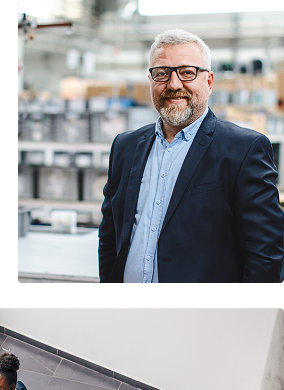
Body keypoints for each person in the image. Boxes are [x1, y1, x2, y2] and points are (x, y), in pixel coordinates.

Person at [98, 29, 284, 283]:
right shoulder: (125, 146)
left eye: (187, 72)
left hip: (201, 319)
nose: (174, 84)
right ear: (151, 80)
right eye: (162, 73)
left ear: (208, 82)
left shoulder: (244, 150)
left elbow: (265, 254)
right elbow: (109, 237)